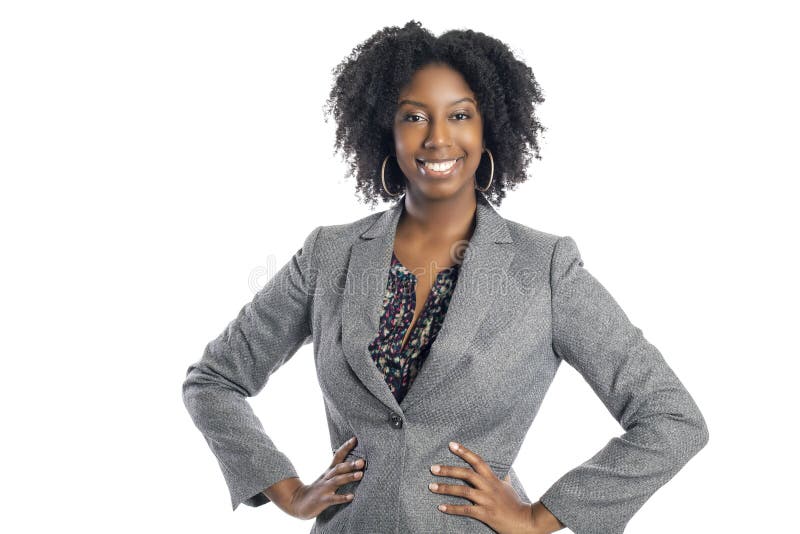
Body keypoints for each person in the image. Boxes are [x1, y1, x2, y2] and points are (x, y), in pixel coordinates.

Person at [182, 20, 709, 534]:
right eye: (415, 118)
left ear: (488, 130)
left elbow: (671, 418)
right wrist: (288, 490)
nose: (437, 138)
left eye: (460, 115)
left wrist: (540, 516)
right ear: (385, 131)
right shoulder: (330, 254)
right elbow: (214, 381)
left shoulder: (544, 268)